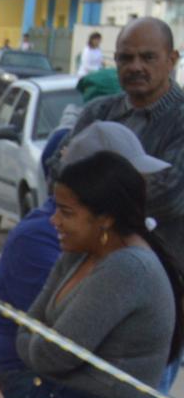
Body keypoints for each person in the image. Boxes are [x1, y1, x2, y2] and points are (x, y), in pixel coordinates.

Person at [0, 150, 182, 398]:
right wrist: (41, 346)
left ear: (106, 217)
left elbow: (52, 356)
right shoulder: (78, 255)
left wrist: (42, 348)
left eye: (67, 212)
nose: (54, 221)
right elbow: (29, 333)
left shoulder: (128, 268)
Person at [0, 122, 166, 393]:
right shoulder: (47, 239)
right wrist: (43, 348)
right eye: (132, 176)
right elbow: (48, 352)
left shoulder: (117, 252)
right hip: (28, 383)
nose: (142, 186)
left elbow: (54, 346)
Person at [65, 17, 184, 265]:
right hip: (87, 265)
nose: (135, 67)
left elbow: (170, 196)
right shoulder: (97, 113)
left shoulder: (179, 120)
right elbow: (59, 174)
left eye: (148, 57)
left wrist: (87, 187)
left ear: (172, 60)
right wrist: (129, 185)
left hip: (164, 273)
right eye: (126, 58)